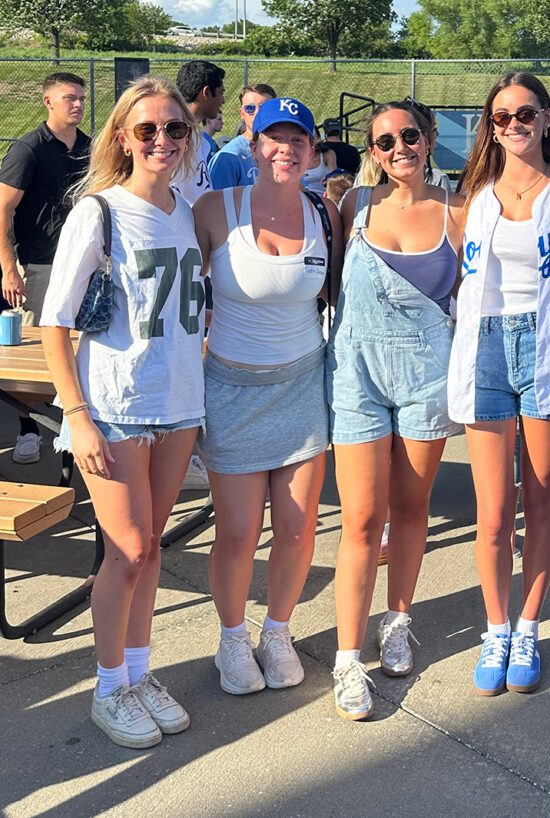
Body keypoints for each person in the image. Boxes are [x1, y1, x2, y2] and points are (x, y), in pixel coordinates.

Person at [40, 74, 205, 748]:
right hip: (115, 403)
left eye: (174, 128)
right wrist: (75, 415)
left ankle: (139, 673)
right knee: (128, 549)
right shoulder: (99, 211)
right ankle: (109, 687)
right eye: (148, 129)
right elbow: (54, 322)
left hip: (178, 402)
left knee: (152, 551)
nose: (162, 139)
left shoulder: (188, 207)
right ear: (124, 138)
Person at [193, 97, 341, 697]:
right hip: (230, 390)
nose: (285, 149)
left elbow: (334, 294)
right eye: (273, 139)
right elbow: (177, 293)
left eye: (297, 140)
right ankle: (233, 639)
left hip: (304, 386)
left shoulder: (325, 212)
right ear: (253, 146)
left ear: (312, 150)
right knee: (236, 534)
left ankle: (277, 632)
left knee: (299, 528)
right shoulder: (213, 210)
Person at [328, 101, 464, 720]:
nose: (398, 148)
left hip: (425, 379)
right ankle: (347, 658)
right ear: (372, 152)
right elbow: (331, 289)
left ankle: (398, 619)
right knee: (359, 520)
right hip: (356, 376)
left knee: (411, 509)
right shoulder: (352, 208)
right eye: (384, 142)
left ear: (430, 139)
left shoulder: (459, 213)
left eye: (409, 136)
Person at [449, 72, 550, 697]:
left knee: (542, 498)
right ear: (490, 127)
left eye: (526, 113)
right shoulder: (477, 199)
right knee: (494, 512)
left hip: (547, 347)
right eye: (501, 117)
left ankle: (529, 624)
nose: (515, 124)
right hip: (487, 348)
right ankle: (496, 627)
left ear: (548, 118)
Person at [0, 72, 90, 464]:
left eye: (82, 98)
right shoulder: (28, 149)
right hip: (40, 264)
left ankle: (79, 431)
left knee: (84, 348)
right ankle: (28, 430)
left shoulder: (90, 147)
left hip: (86, 264)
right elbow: (2, 211)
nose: (78, 104)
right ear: (48, 101)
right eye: (70, 97)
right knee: (36, 355)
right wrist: (9, 268)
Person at [174, 60, 225, 205]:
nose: (223, 100)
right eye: (221, 93)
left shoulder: (200, 140)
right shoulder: (172, 138)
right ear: (206, 93)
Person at [208, 83, 276, 190]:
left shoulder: (284, 149)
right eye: (250, 108)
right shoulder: (229, 157)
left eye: (264, 108)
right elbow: (218, 202)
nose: (257, 113)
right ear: (242, 114)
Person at [300, 127, 337, 196]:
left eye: (313, 138)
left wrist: (327, 177)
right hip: (306, 198)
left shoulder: (327, 154)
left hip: (326, 196)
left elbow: (334, 176)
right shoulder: (297, 157)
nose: (311, 142)